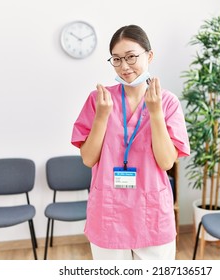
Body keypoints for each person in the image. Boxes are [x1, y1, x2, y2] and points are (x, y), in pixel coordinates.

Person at [71, 24, 190, 260]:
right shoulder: (99, 100)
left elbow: (167, 162)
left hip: (151, 213)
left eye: (131, 57)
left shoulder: (167, 103)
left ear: (150, 55)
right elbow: (88, 158)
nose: (124, 66)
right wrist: (102, 116)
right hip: (109, 213)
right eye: (116, 59)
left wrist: (155, 113)